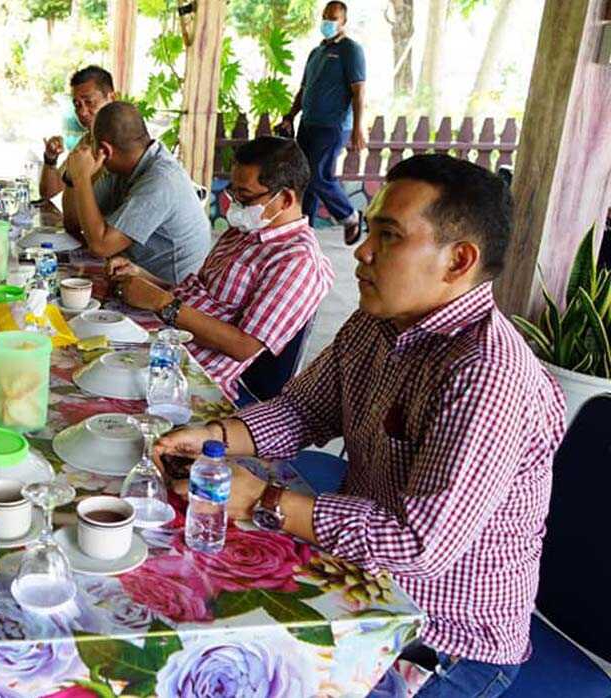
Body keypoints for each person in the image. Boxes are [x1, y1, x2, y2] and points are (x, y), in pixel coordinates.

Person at [155, 154, 566, 698]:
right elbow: (302, 410)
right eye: (369, 230)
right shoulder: (378, 322)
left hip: (438, 642)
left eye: (389, 236)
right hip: (363, 582)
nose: (362, 251)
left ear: (458, 260)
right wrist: (215, 438)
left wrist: (262, 499)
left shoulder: (487, 374)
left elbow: (417, 543)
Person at [109, 136, 333, 401]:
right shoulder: (244, 231)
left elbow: (244, 346)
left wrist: (161, 302)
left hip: (191, 377)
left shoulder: (296, 261)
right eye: (233, 193)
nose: (234, 205)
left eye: (245, 196)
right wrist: (144, 278)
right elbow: (201, 296)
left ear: (285, 199)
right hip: (163, 343)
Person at [63, 101, 211, 286]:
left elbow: (101, 246)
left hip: (172, 294)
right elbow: (73, 222)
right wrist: (72, 178)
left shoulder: (161, 181)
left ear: (105, 151)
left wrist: (82, 178)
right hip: (134, 280)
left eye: (91, 142)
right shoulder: (124, 167)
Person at [278, 1, 366, 245]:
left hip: (333, 126)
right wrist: (290, 115)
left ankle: (349, 216)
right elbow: (304, 88)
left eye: (334, 18)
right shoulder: (316, 52)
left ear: (343, 21)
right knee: (303, 180)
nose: (328, 22)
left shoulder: (350, 50)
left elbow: (358, 91)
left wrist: (358, 128)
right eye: (326, 16)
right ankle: (302, 231)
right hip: (308, 123)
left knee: (318, 176)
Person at [39, 65, 116, 201]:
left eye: (89, 102)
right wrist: (50, 159)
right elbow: (50, 194)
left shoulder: (123, 142)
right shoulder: (87, 141)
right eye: (77, 105)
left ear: (112, 98)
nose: (82, 112)